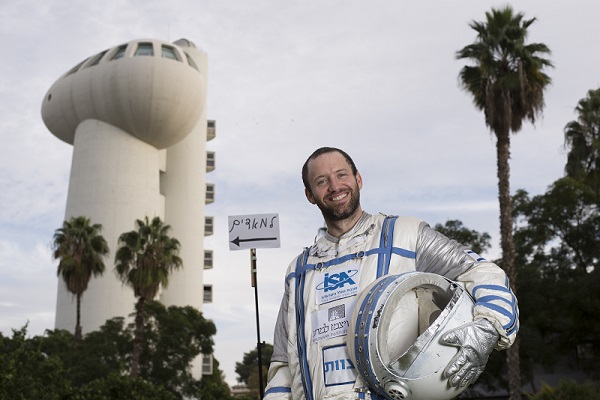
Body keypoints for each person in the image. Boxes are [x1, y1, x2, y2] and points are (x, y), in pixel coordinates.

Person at [263, 147, 519, 400]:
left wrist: (486, 329)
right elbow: (284, 363)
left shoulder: (406, 235)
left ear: (358, 179)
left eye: (342, 175)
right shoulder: (298, 271)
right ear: (310, 195)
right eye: (322, 181)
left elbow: (482, 272)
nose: (334, 186)